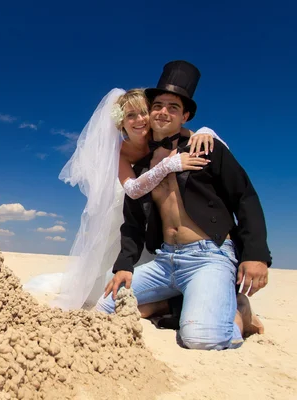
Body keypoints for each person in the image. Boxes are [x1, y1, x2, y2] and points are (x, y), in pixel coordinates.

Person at [95, 60, 272, 350]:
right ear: (150, 113)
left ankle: (241, 314)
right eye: (158, 105)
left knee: (199, 339)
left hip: (210, 256)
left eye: (173, 107)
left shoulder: (206, 147)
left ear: (185, 116)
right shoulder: (141, 167)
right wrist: (124, 266)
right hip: (166, 260)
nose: (163, 112)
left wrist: (256, 255)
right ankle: (173, 302)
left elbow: (246, 197)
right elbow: (133, 222)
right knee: (103, 308)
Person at [23, 87, 222, 311]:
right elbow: (133, 189)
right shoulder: (120, 151)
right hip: (130, 202)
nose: (139, 120)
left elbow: (198, 138)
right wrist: (168, 165)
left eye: (143, 113)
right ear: (121, 123)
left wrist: (207, 130)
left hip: (160, 205)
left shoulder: (162, 136)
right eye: (130, 115)